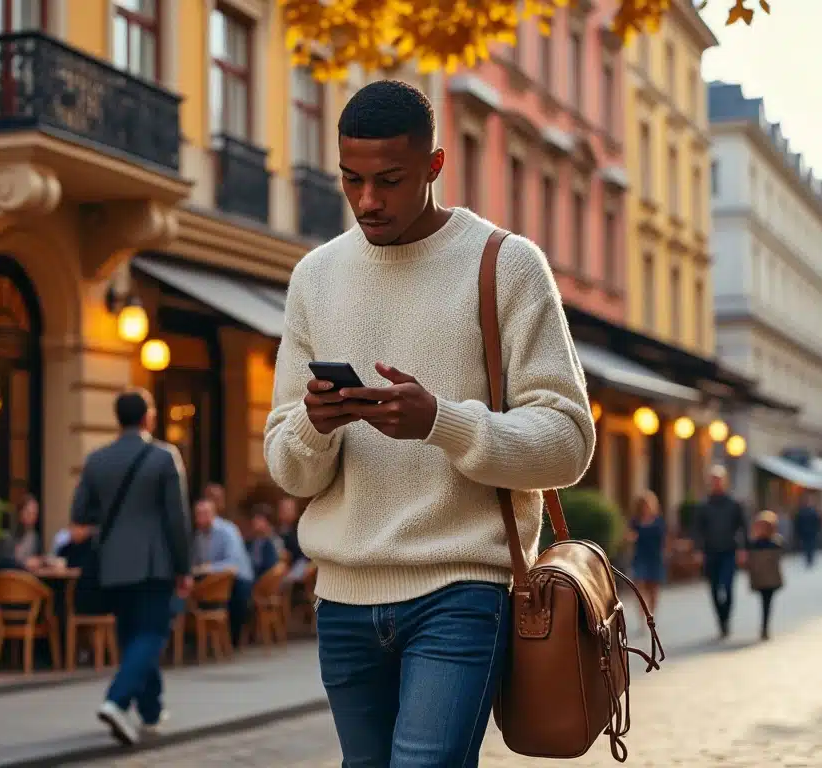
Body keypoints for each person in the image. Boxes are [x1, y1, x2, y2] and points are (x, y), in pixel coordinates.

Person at [263, 80, 595, 766]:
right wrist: (315, 424)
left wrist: (441, 422)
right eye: (352, 180)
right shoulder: (315, 277)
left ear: (436, 167)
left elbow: (568, 443)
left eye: (390, 180)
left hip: (463, 588)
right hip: (343, 598)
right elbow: (288, 468)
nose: (367, 201)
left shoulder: (506, 264)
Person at [70, 389, 193, 746]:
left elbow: (79, 514)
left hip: (112, 563)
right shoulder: (163, 457)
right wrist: (184, 568)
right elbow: (176, 519)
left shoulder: (97, 460)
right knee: (152, 635)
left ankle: (151, 713)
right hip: (155, 564)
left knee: (132, 638)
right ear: (148, 418)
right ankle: (117, 700)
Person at [191, 497, 256, 646]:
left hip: (238, 578)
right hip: (212, 579)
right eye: (198, 514)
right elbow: (196, 562)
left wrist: (207, 568)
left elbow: (233, 564)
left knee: (236, 593)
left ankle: (232, 640)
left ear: (213, 513)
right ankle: (201, 639)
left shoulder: (227, 530)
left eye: (205, 513)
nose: (201, 517)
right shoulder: (198, 536)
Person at [693, 465, 748, 639]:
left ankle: (726, 618)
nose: (716, 483)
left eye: (719, 480)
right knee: (715, 589)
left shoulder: (734, 504)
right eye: (713, 480)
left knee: (728, 587)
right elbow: (697, 530)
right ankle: (721, 620)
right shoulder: (704, 506)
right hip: (711, 553)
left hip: (729, 552)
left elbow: (743, 527)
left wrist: (743, 549)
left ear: (724, 482)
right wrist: (698, 550)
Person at [625, 490, 666, 625]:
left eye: (648, 504)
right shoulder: (635, 521)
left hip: (654, 558)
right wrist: (630, 538)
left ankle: (651, 614)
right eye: (644, 504)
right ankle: (642, 616)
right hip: (640, 557)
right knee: (640, 587)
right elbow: (629, 535)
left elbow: (664, 539)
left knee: (653, 589)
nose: (646, 507)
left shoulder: (658, 521)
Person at [746, 511, 786, 641]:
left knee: (767, 602)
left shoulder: (775, 542)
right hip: (760, 579)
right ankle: (764, 626)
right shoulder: (754, 543)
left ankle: (765, 626)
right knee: (765, 602)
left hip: (770, 579)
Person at [276, 495, 310, 582]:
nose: (285, 512)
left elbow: (302, 554)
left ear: (295, 512)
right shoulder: (276, 530)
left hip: (298, 565)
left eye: (289, 509)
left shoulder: (301, 530)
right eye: (283, 509)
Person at [245, 504, 283, 580]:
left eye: (259, 519)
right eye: (254, 518)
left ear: (267, 522)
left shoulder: (275, 542)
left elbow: (273, 568)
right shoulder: (250, 542)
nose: (254, 521)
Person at [1, 494, 43, 562]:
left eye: (34, 514)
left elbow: (37, 559)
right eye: (28, 513)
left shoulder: (34, 537)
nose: (32, 517)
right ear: (20, 512)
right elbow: (5, 562)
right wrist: (25, 563)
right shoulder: (8, 537)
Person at [793, 492, 822, 568]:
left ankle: (810, 559)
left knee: (810, 546)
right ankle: (809, 559)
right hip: (806, 532)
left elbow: (816, 522)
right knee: (808, 546)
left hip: (810, 532)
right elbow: (798, 523)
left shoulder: (810, 511)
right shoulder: (802, 511)